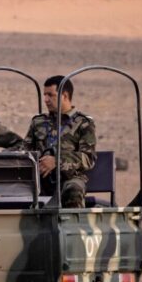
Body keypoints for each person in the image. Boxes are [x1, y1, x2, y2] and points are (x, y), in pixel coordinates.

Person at [24, 75, 97, 207]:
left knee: (73, 190)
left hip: (70, 178)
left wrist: (56, 161)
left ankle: (73, 227)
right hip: (41, 179)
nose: (45, 100)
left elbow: (88, 158)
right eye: (44, 95)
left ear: (64, 95)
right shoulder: (38, 122)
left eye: (50, 95)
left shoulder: (83, 123)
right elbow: (26, 151)